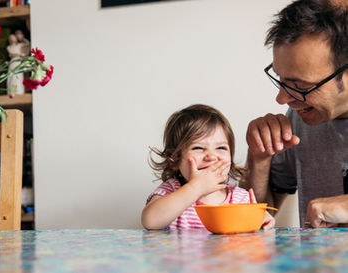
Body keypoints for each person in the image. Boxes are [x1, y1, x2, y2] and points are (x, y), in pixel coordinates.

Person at [245, 0, 348, 228]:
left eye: (300, 86)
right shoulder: (299, 120)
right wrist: (260, 160)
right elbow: (252, 223)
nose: (282, 99)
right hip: (315, 264)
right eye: (280, 79)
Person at [142, 104, 275, 230]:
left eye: (221, 148)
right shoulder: (171, 190)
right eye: (198, 148)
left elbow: (250, 238)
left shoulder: (240, 198)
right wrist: (196, 188)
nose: (211, 156)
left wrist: (259, 219)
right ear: (174, 159)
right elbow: (150, 221)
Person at [7, 30, 30, 95]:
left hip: (18, 62)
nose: (12, 39)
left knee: (18, 76)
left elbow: (27, 44)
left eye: (13, 37)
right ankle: (11, 90)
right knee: (11, 76)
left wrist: (22, 38)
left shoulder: (20, 45)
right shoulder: (9, 47)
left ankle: (19, 91)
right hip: (12, 62)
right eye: (10, 38)